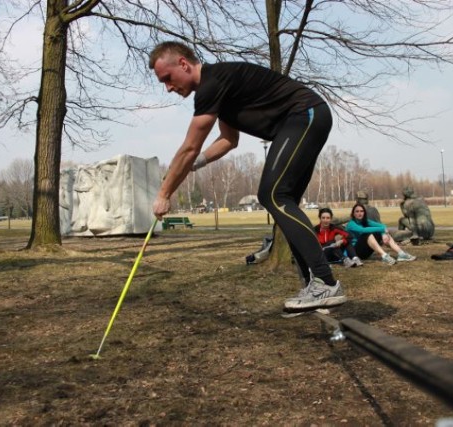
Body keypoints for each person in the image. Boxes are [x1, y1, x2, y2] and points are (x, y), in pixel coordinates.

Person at [148, 41, 346, 311]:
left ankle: (326, 282)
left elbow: (189, 147)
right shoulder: (220, 89)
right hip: (304, 119)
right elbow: (228, 140)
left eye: (167, 79)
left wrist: (164, 194)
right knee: (283, 206)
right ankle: (314, 288)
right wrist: (197, 163)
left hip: (304, 114)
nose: (168, 87)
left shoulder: (210, 84)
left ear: (183, 63)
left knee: (272, 195)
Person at [345, 203, 416, 265]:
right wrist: (382, 230)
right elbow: (363, 230)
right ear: (353, 214)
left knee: (381, 233)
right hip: (355, 253)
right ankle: (384, 256)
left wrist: (383, 233)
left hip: (365, 252)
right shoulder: (351, 224)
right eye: (357, 211)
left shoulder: (365, 221)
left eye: (361, 211)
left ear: (364, 213)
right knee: (367, 234)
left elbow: (382, 226)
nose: (359, 213)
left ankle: (401, 254)